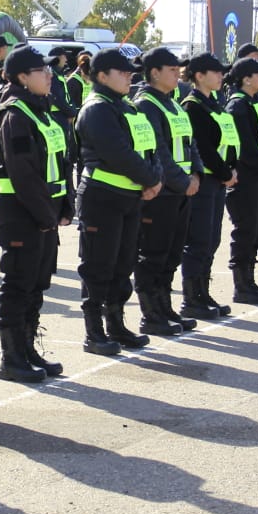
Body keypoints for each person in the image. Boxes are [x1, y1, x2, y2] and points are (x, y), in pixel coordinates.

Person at [0, 45, 73, 381]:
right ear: (23, 77)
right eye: (42, 71)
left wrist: (64, 206)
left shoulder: (43, 112)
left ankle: (27, 348)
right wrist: (45, 216)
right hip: (22, 215)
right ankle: (12, 359)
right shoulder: (16, 115)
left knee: (36, 285)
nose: (50, 75)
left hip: (44, 216)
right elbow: (23, 173)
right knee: (18, 285)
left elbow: (60, 163)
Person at [74, 48, 162, 354]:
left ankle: (116, 325)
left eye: (130, 72)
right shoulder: (97, 109)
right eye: (122, 72)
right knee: (98, 266)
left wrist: (155, 177)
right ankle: (94, 332)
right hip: (103, 198)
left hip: (130, 198)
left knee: (122, 265)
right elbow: (118, 153)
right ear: (102, 76)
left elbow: (149, 147)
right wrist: (151, 180)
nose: (129, 76)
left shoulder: (127, 107)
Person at [132, 48, 201, 336]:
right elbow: (158, 151)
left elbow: (190, 143)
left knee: (172, 253)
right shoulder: (146, 104)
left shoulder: (174, 104)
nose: (178, 73)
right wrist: (183, 181)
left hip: (181, 191)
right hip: (163, 192)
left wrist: (196, 172)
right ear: (155, 72)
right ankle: (151, 314)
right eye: (172, 69)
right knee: (154, 254)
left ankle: (165, 306)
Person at [179, 53, 239, 319]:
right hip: (205, 180)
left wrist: (230, 169)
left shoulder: (214, 103)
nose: (221, 76)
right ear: (199, 76)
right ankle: (192, 298)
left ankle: (203, 292)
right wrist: (226, 172)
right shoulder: (193, 106)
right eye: (215, 72)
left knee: (212, 239)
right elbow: (203, 147)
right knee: (200, 240)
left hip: (218, 180)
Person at [224, 57, 258, 305]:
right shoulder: (238, 106)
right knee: (246, 229)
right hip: (246, 176)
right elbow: (245, 147)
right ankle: (242, 285)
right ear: (247, 78)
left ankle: (251, 281)